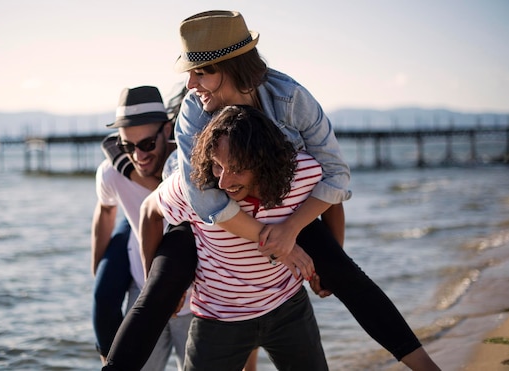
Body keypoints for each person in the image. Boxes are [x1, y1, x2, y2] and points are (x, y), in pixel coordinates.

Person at [104, 10, 439, 371]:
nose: (190, 85)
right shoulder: (193, 113)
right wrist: (276, 239)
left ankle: (424, 364)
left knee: (343, 272)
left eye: (201, 72)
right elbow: (205, 199)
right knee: (160, 290)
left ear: (232, 68)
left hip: (277, 199)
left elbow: (335, 178)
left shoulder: (290, 98)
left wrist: (291, 232)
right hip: (200, 212)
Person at [141, 105, 329, 370]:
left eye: (237, 169)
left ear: (265, 162)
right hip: (218, 318)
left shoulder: (301, 174)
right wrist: (157, 284)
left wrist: (329, 264)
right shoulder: (194, 190)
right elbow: (148, 212)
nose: (223, 182)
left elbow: (332, 193)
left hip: (288, 308)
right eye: (218, 166)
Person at [91, 85, 193, 370]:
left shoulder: (192, 169)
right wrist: (97, 268)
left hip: (200, 300)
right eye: (126, 146)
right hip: (143, 290)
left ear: (167, 130)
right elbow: (105, 209)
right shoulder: (113, 173)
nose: (138, 156)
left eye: (147, 144)